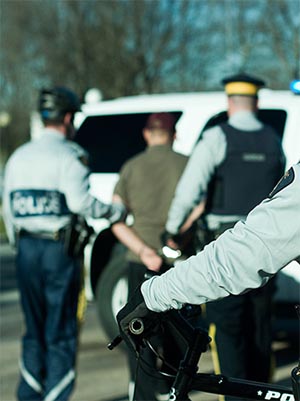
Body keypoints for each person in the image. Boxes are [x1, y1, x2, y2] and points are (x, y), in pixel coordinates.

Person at [162, 73, 286, 394]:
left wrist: (173, 230)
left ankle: (236, 395)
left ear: (229, 102)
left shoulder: (217, 138)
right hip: (267, 248)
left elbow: (190, 189)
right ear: (255, 102)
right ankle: (263, 392)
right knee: (260, 330)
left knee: (229, 333)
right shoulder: (272, 140)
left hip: (225, 247)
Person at [2, 87, 126, 401]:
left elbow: (8, 208)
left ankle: (28, 394)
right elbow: (80, 202)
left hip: (28, 249)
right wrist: (115, 211)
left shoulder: (19, 156)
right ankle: (56, 396)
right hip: (58, 252)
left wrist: (21, 243)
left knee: (34, 330)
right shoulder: (69, 155)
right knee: (61, 331)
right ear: (68, 117)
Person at [117, 160, 300, 365]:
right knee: (258, 343)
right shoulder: (273, 143)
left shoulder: (217, 138)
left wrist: (154, 294)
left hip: (232, 253)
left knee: (230, 348)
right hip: (259, 259)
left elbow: (238, 258)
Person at [111, 112, 190, 401]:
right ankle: (173, 391)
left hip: (140, 262)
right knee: (181, 334)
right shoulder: (187, 164)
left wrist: (144, 251)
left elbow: (116, 220)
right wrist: (175, 236)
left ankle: (143, 395)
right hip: (180, 262)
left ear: (147, 134)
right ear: (174, 134)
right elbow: (200, 206)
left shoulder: (131, 168)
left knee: (142, 336)